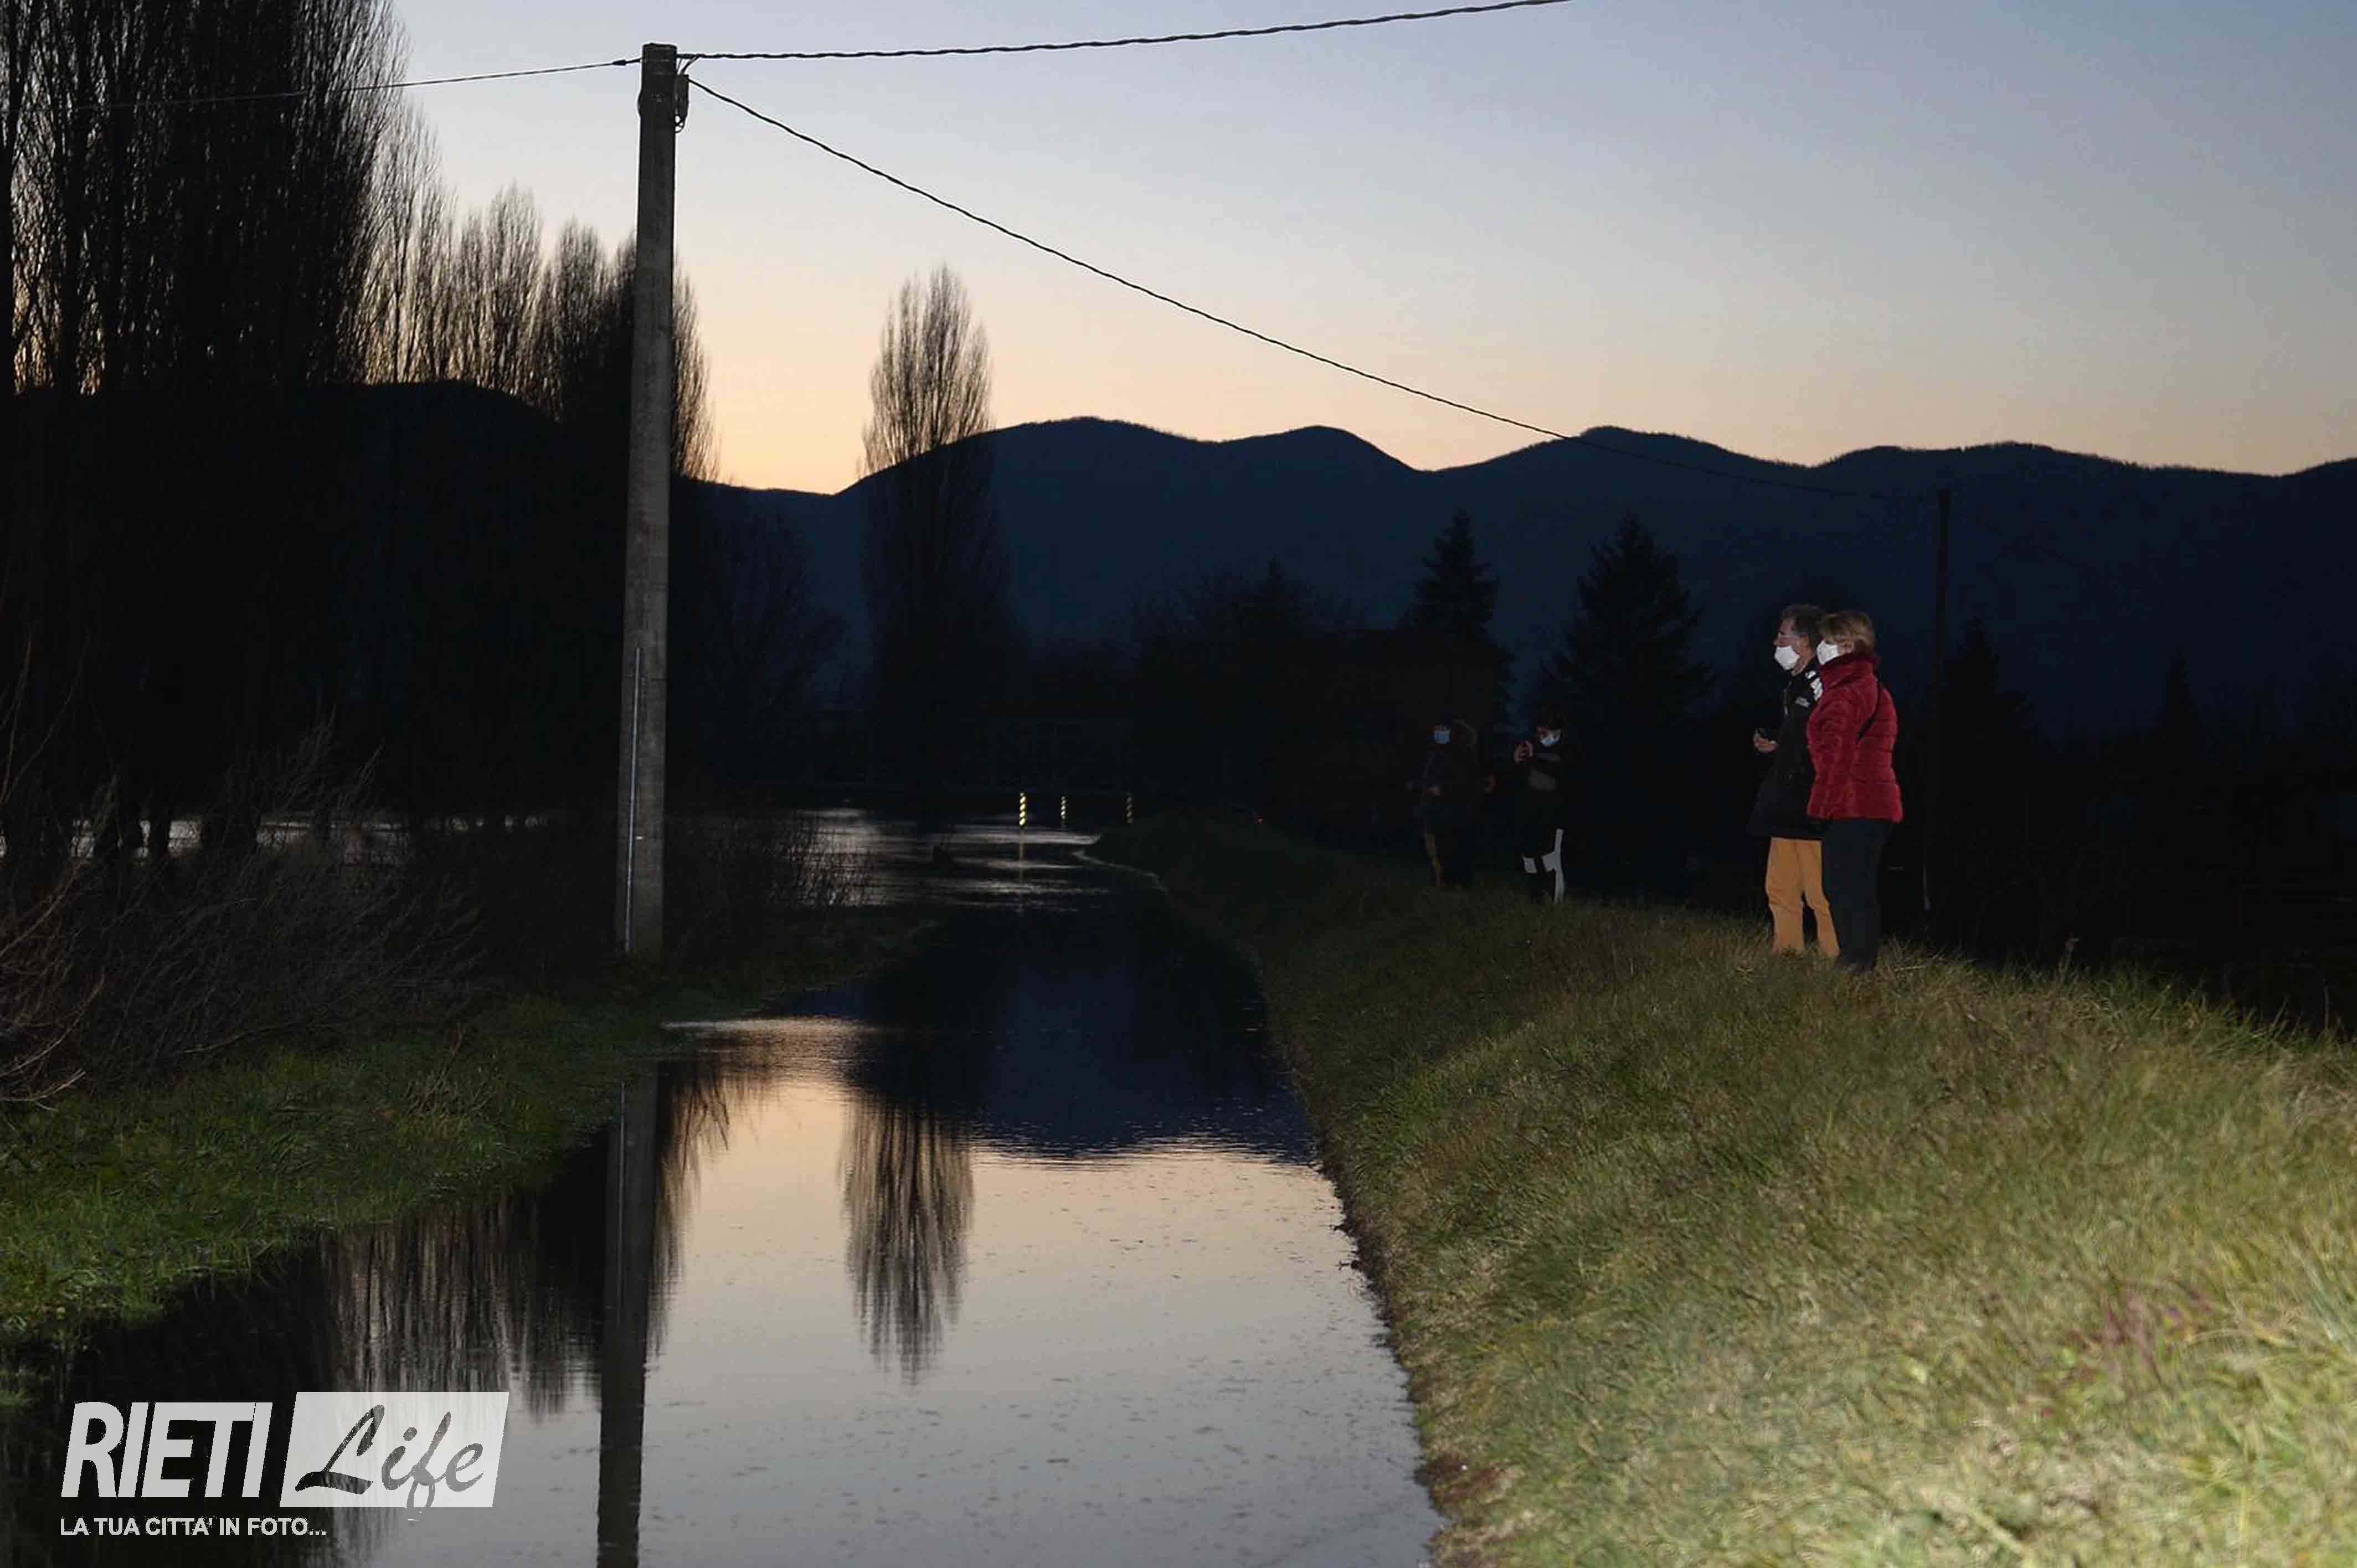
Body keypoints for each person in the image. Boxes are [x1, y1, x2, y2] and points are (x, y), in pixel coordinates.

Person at [1806, 610, 1902, 972]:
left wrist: (1820, 809)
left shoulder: (1845, 694)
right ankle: (1859, 961)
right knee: (1857, 885)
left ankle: (1855, 964)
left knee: (1842, 886)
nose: (1821, 648)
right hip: (1876, 803)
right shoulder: (1874, 687)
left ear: (1847, 645)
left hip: (1853, 804)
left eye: (1827, 641)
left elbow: (1836, 761)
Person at [1747, 605, 1838, 957]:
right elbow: (1798, 736)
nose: (1776, 642)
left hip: (1812, 801)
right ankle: (1787, 952)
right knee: (1780, 884)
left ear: (1803, 641)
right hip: (1785, 797)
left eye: (1782, 635)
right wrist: (1776, 746)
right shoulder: (1794, 684)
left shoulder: (1822, 682)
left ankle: (1834, 957)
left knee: (1819, 888)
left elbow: (1831, 739)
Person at [1511, 710, 1573, 904]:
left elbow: (1561, 773)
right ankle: (1536, 897)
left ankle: (1556, 901)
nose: (1541, 737)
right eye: (1539, 732)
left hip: (1554, 816)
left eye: (1545, 732)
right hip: (1530, 813)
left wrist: (1533, 758)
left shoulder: (1567, 750)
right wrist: (1516, 762)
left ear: (1558, 732)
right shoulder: (1532, 749)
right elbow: (1518, 781)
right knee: (1529, 857)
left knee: (1551, 858)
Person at [1413, 718, 1479, 887]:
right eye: (1437, 729)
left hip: (1454, 810)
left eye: (1443, 729)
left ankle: (1457, 882)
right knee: (1437, 848)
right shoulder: (1435, 752)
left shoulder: (1463, 754)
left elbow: (1468, 783)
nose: (1439, 733)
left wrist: (1444, 790)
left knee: (1454, 848)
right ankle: (1442, 880)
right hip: (1434, 809)